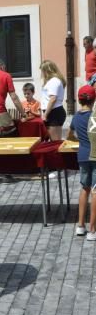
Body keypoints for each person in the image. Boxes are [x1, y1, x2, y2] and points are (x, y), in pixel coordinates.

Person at [68, 85, 96, 240]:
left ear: (79, 100)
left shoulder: (76, 117)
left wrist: (79, 140)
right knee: (95, 190)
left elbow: (70, 135)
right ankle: (92, 230)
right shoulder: (94, 116)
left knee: (84, 188)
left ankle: (80, 225)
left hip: (83, 155)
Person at [40, 60, 66, 141]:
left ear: (47, 71)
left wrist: (45, 115)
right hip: (54, 111)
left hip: (53, 112)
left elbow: (53, 99)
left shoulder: (53, 81)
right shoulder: (55, 80)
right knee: (56, 141)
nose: (41, 73)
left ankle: (58, 154)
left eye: (42, 70)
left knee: (55, 141)